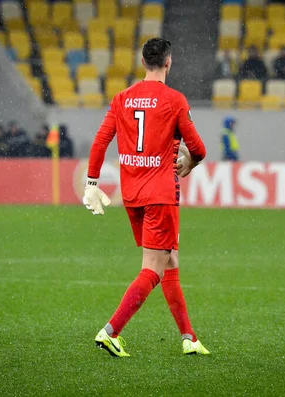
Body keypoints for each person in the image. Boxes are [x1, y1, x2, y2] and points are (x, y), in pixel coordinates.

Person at [84, 38, 209, 357]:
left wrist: (92, 183)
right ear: (169, 62)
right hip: (161, 194)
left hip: (133, 194)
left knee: (169, 260)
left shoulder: (122, 98)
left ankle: (188, 337)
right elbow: (199, 150)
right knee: (153, 268)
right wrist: (189, 163)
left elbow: (100, 141)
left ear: (143, 62)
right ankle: (110, 331)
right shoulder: (174, 100)